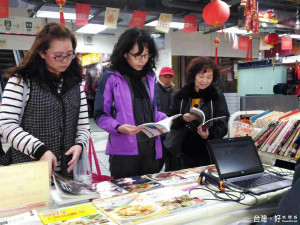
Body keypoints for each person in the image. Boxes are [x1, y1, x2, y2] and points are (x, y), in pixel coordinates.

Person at [0, 23, 91, 179]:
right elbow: (7, 125)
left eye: (70, 54)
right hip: (28, 173)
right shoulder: (22, 81)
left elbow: (83, 127)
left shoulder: (75, 84)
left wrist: (80, 145)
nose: (65, 60)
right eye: (58, 55)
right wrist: (40, 151)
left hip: (68, 175)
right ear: (42, 53)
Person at [94, 27, 166, 178]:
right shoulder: (111, 78)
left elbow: (154, 110)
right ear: (125, 53)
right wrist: (119, 128)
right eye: (138, 56)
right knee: (124, 195)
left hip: (152, 149)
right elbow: (100, 115)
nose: (143, 60)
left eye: (146, 55)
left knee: (151, 193)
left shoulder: (150, 77)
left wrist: (166, 120)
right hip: (124, 152)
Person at [169, 57, 229, 169]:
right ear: (193, 76)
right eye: (201, 76)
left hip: (208, 150)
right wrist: (182, 119)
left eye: (208, 77)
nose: (204, 80)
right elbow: (170, 120)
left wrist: (209, 133)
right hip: (183, 149)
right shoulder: (181, 95)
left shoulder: (216, 96)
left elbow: (223, 122)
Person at [156, 67, 178, 171]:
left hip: (171, 133)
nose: (168, 79)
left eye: (170, 77)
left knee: (172, 164)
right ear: (160, 77)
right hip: (158, 133)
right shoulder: (154, 90)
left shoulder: (173, 92)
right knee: (157, 162)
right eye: (165, 77)